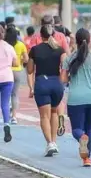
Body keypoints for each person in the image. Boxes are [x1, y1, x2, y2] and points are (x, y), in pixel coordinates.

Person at [62, 28, 91, 167]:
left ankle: (82, 140)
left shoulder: (69, 58)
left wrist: (71, 77)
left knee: (77, 129)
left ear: (75, 40)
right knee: (89, 128)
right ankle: (86, 158)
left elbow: (63, 79)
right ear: (89, 40)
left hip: (76, 98)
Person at [27, 25, 67, 157]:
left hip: (42, 83)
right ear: (53, 35)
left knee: (44, 116)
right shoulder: (59, 49)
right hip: (56, 84)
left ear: (40, 35)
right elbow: (65, 66)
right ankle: (54, 142)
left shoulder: (35, 50)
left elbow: (30, 70)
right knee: (54, 112)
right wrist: (61, 78)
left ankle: (49, 143)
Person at [6, 26, 30, 125]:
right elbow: (26, 59)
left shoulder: (5, 45)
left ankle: (6, 114)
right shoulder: (20, 44)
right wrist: (20, 60)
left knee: (6, 94)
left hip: (6, 72)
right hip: (17, 71)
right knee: (15, 94)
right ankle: (14, 117)